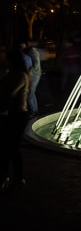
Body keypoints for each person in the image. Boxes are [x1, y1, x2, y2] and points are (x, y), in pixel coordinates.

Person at [0, 48, 31, 193]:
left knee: (11, 147)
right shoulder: (11, 74)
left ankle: (18, 178)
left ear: (12, 61)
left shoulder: (20, 76)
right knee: (7, 146)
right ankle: (7, 176)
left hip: (18, 115)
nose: (3, 60)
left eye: (6, 58)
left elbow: (9, 94)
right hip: (10, 114)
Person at [23, 41, 42, 117]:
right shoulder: (31, 51)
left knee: (30, 94)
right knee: (32, 93)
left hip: (34, 75)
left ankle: (34, 112)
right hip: (34, 74)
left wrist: (29, 72)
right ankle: (35, 111)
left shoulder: (32, 51)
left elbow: (36, 64)